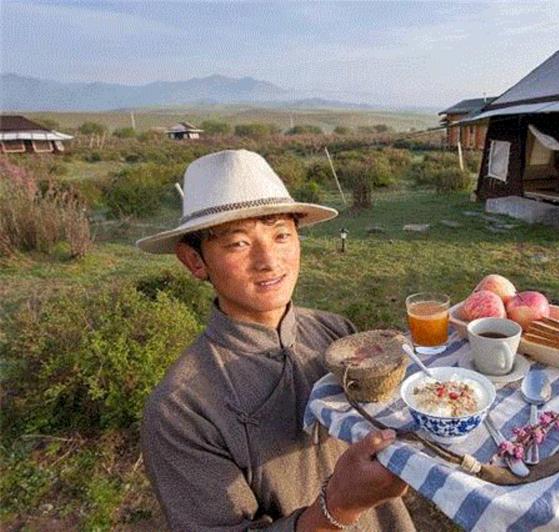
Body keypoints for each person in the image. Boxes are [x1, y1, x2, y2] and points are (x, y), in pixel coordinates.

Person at [137, 149, 414, 531]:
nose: (269, 260)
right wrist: (340, 506)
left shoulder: (336, 333)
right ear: (195, 261)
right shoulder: (181, 409)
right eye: (238, 243)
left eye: (281, 234)